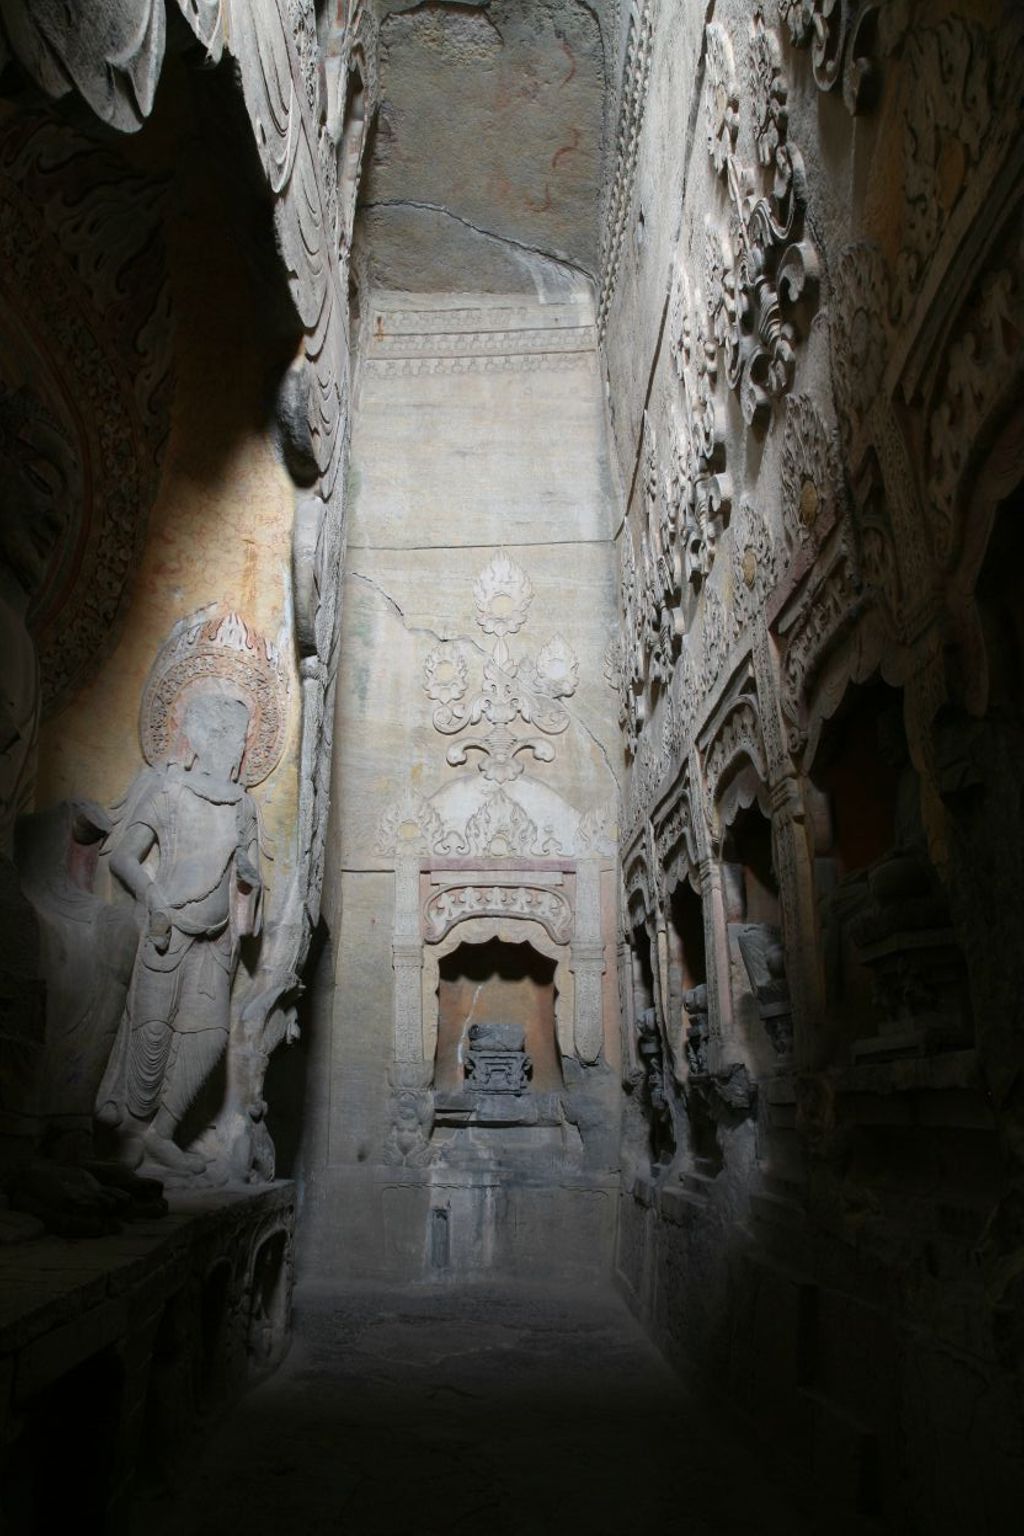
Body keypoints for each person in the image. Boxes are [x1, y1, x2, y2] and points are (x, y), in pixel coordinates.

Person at [97, 688, 263, 1175]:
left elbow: (249, 869)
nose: (229, 747)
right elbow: (127, 856)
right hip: (167, 926)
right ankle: (127, 1133)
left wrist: (249, 876)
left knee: (209, 1038)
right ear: (196, 737)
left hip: (216, 939)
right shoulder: (170, 791)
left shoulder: (242, 807)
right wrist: (153, 901)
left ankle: (162, 1134)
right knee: (151, 1032)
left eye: (236, 739)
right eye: (219, 734)